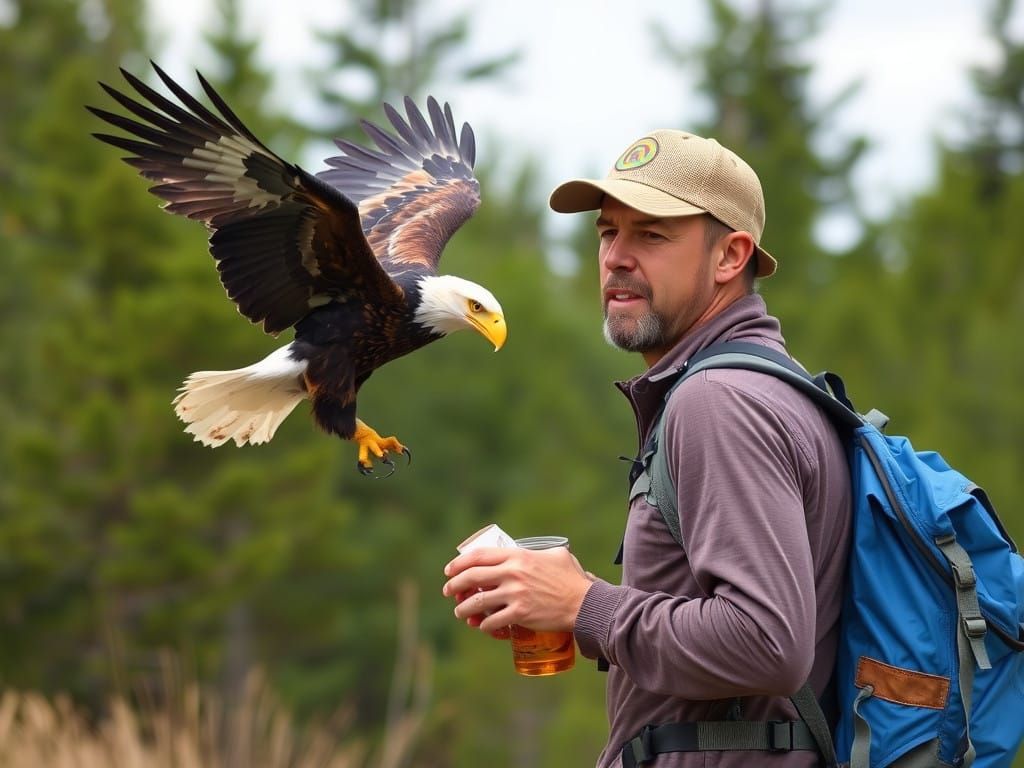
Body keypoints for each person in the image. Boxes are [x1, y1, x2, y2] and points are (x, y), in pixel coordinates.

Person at [441, 129, 852, 767]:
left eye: (652, 235)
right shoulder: (767, 383)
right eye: (608, 232)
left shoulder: (719, 401)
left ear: (730, 256)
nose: (615, 258)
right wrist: (572, 604)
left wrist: (585, 604)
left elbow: (769, 643)